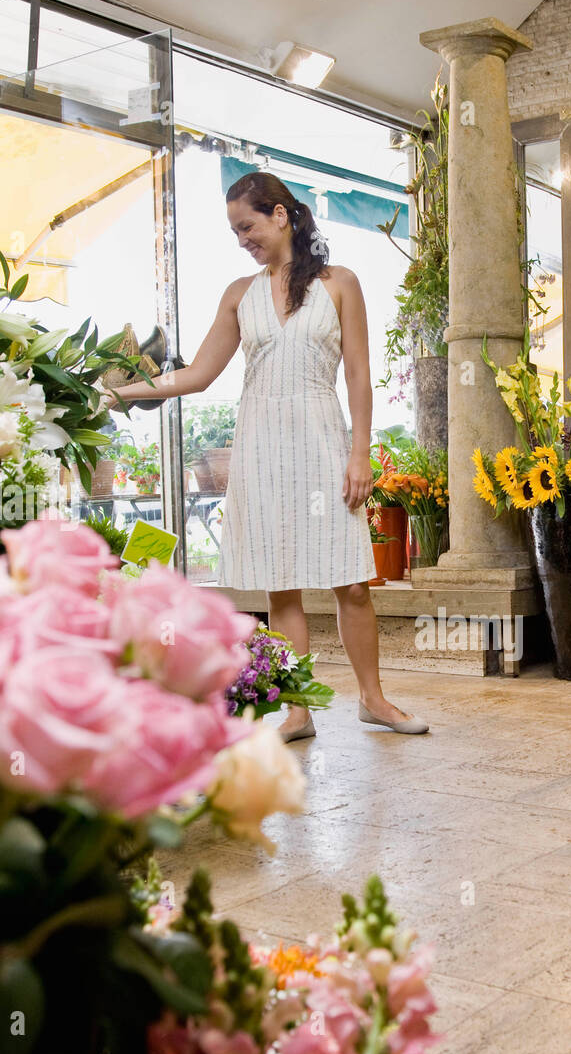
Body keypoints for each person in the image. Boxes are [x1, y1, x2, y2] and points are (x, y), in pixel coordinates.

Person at [108, 170, 427, 739]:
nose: (242, 240)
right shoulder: (239, 294)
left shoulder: (341, 283)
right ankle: (298, 711)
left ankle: (373, 699)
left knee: (351, 581)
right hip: (260, 449)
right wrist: (120, 393)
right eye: (235, 232)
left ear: (281, 215)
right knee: (281, 585)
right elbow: (199, 375)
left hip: (323, 444)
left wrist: (360, 455)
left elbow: (358, 375)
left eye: (247, 226)